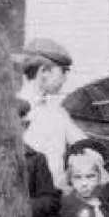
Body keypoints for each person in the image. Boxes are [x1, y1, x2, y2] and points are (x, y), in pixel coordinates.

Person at [18, 38, 86, 189]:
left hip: (55, 201)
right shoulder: (14, 110)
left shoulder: (58, 112)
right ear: (44, 72)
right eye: (63, 71)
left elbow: (87, 147)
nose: (65, 79)